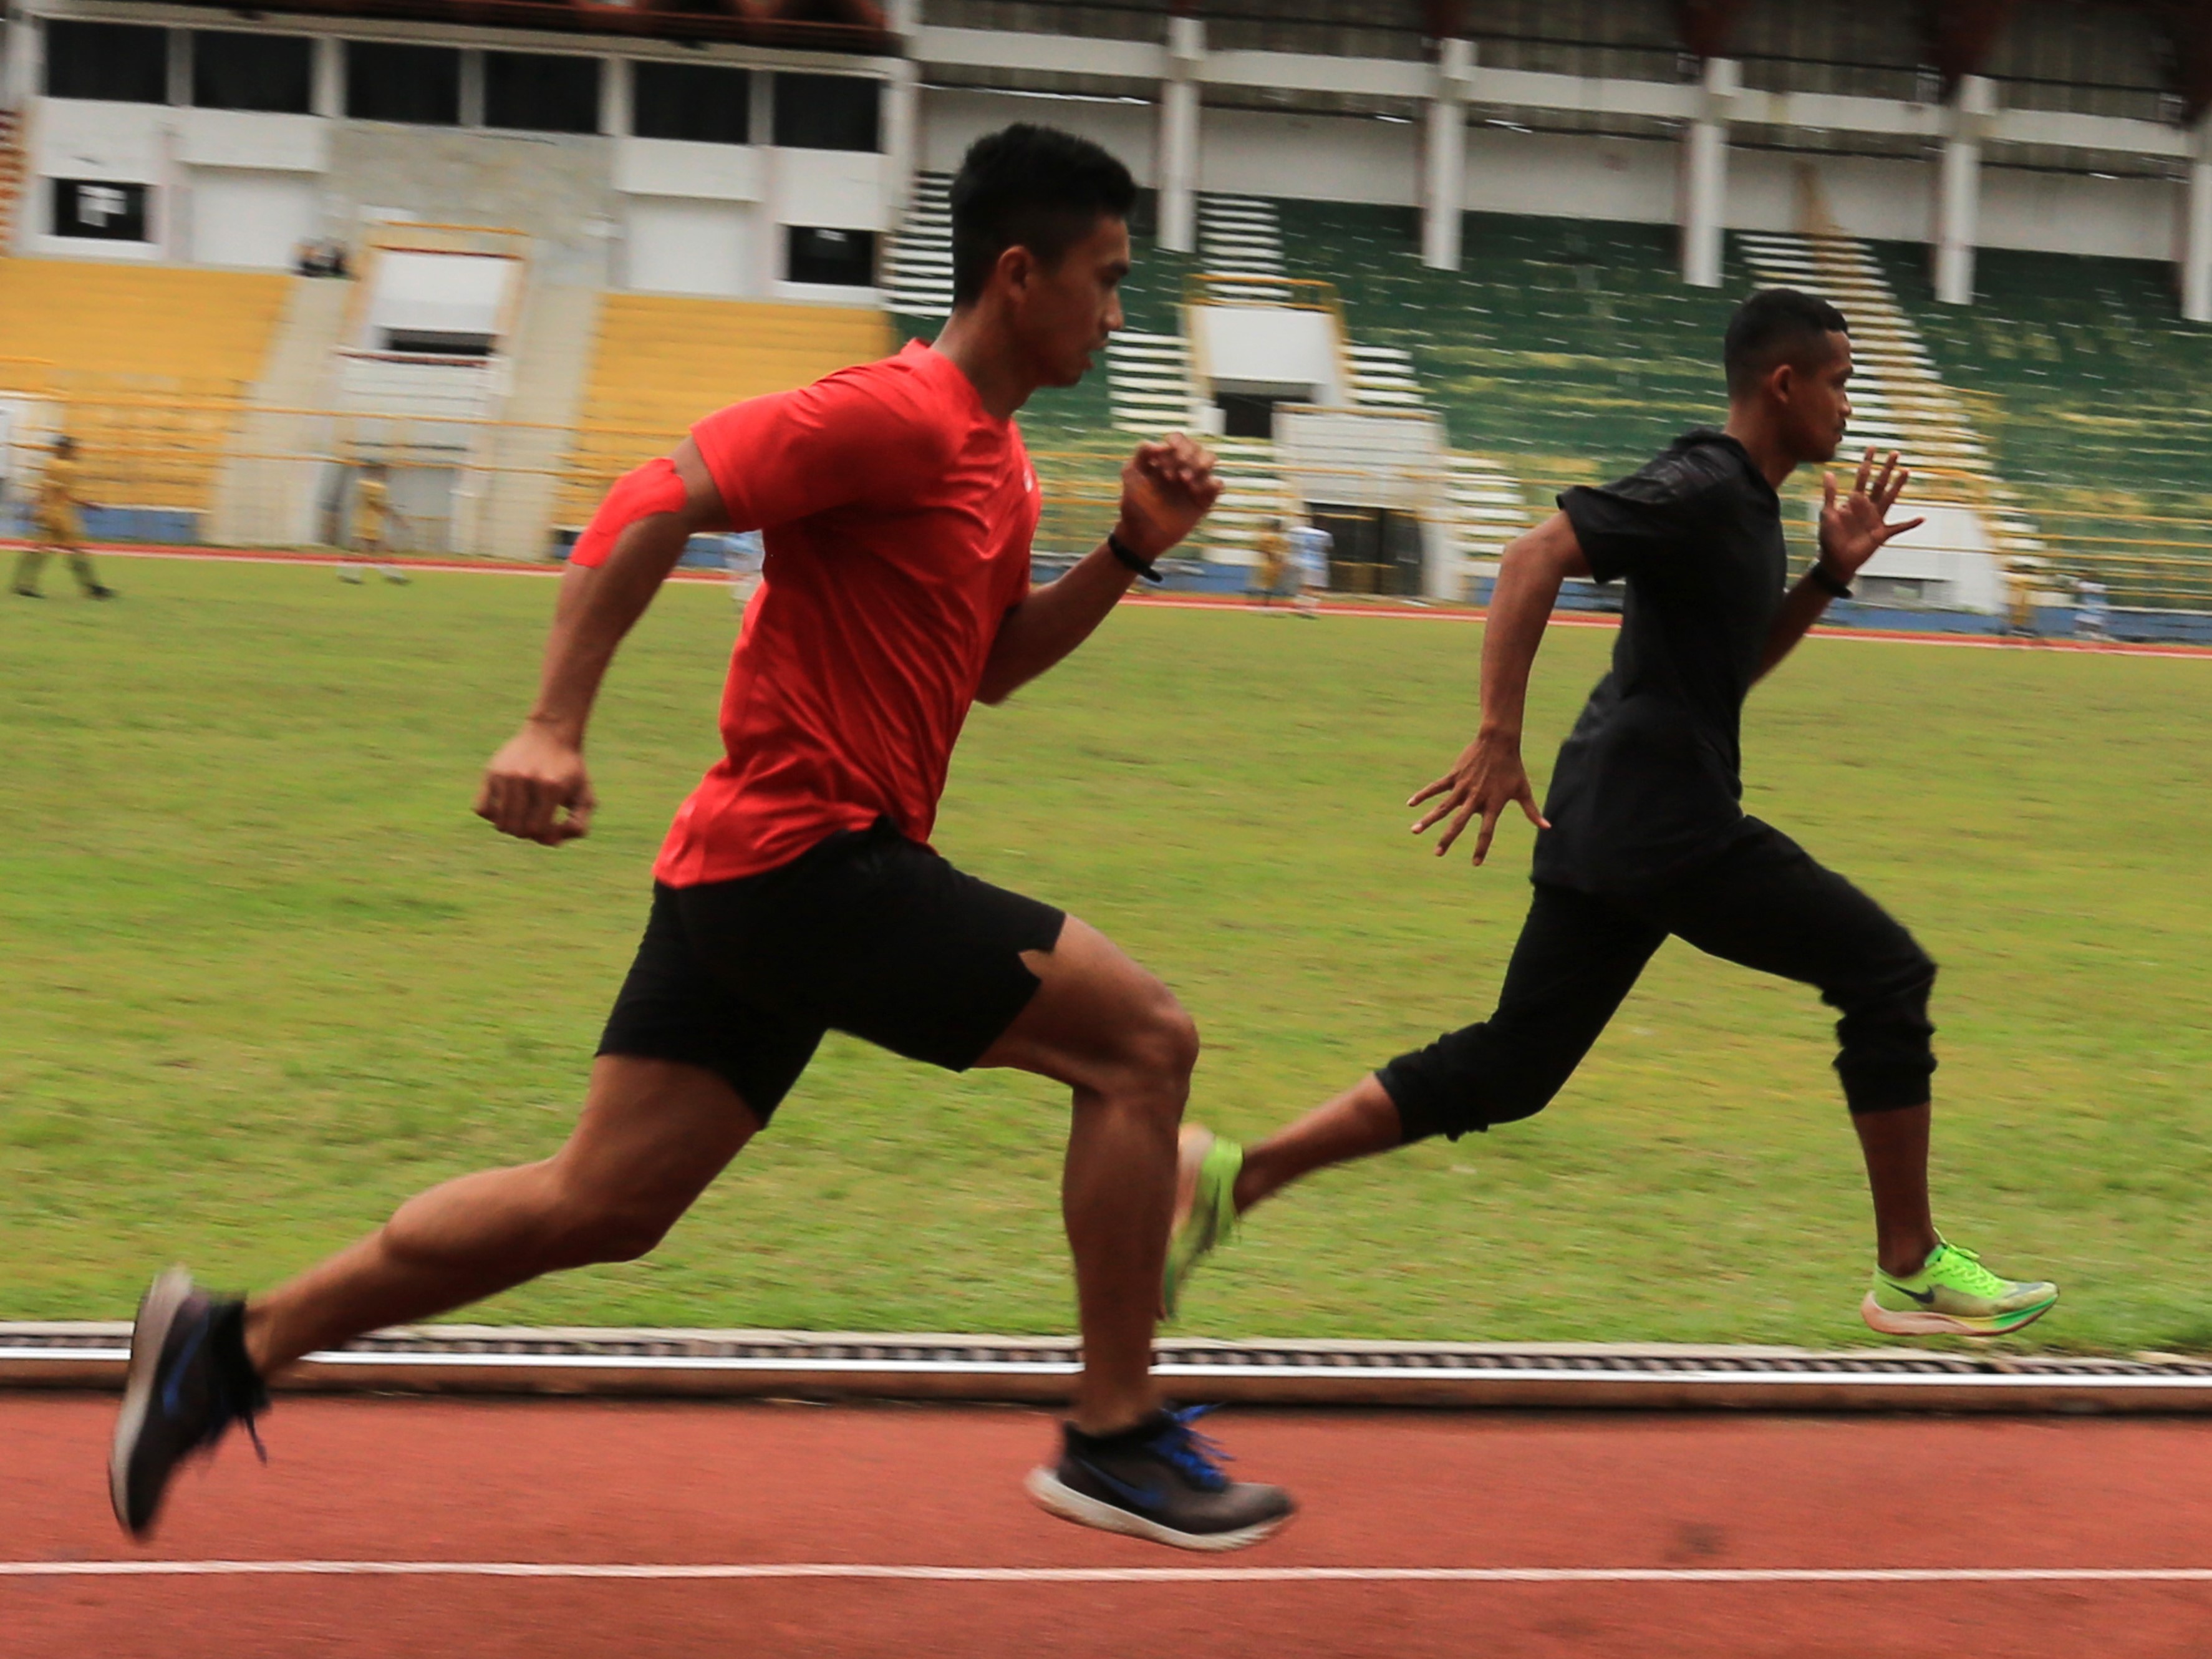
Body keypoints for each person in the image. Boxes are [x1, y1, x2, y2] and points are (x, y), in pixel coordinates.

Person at [109, 123, 1293, 1555]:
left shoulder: (999, 462)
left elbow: (990, 669)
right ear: (1016, 274)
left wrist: (1128, 550)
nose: (1115, 313)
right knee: (1143, 1043)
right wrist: (552, 724)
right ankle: (1114, 1436)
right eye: (1105, 279)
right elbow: (651, 496)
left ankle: (226, 1347)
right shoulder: (896, 412)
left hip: (755, 874)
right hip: (813, 864)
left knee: (601, 1202)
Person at [1163, 289, 2057, 1342]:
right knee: (1885, 973)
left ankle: (1235, 1175)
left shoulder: (1746, 507)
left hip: (1613, 817)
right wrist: (1496, 734)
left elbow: (1726, 672)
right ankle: (1907, 1266)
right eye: (1838, 383)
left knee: (1512, 1067)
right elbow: (1531, 553)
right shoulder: (1704, 482)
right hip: (1663, 822)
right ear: (1783, 384)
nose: (1848, 406)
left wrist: (1825, 576)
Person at [13, 436, 117, 600]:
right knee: (75, 550)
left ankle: (23, 584)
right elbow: (63, 494)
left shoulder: (50, 464)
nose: (75, 452)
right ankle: (92, 588)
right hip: (61, 516)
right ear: (65, 450)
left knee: (40, 549)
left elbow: (45, 489)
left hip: (48, 512)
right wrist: (87, 504)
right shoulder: (68, 468)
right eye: (72, 449)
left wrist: (38, 508)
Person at [339, 463, 407, 585]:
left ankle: (348, 574)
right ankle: (393, 576)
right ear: (379, 473)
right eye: (385, 472)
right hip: (368, 523)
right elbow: (377, 504)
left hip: (365, 521)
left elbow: (375, 503)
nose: (388, 475)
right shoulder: (375, 487)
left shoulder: (362, 485)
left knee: (366, 550)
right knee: (375, 550)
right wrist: (395, 518)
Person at [1287, 517, 1331, 618]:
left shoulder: (1303, 532)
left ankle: (1301, 604)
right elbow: (1327, 548)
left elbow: (1293, 541)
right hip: (1317, 563)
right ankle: (1309, 608)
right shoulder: (1324, 535)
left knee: (1305, 586)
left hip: (1302, 561)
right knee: (1315, 587)